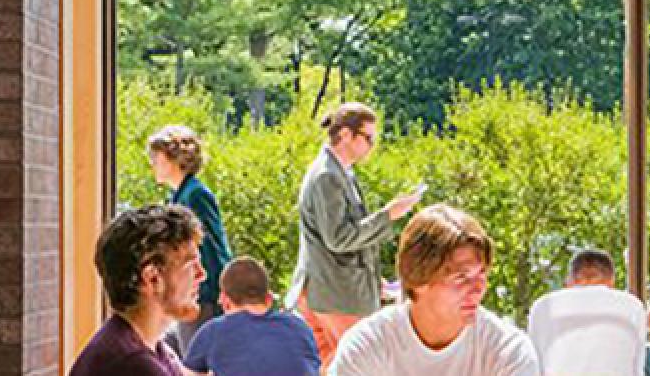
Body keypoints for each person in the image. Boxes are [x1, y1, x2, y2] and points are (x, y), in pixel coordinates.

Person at [327, 204, 540, 376]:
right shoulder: (366, 346)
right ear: (418, 279)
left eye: (481, 274)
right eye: (461, 277)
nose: (477, 289)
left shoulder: (508, 350)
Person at [286, 102, 421, 363]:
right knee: (358, 363)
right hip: (336, 295)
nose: (372, 145)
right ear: (346, 134)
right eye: (368, 137)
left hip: (333, 291)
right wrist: (387, 216)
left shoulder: (340, 172)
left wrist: (373, 277)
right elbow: (339, 238)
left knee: (332, 365)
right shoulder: (328, 176)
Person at [70, 204, 206, 376]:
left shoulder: (144, 346)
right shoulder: (133, 364)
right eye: (191, 265)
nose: (202, 274)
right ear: (152, 278)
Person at [147, 124, 233, 356]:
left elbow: (212, 248)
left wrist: (211, 295)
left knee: (197, 362)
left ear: (174, 158)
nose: (152, 163)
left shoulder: (196, 195)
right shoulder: (179, 195)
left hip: (202, 297)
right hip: (189, 294)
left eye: (156, 156)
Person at [183, 256, 321, 376]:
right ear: (269, 299)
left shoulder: (213, 331)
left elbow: (187, 373)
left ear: (224, 301)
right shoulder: (300, 327)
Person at [527, 248, 646, 375]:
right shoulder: (632, 306)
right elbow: (637, 368)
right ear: (612, 280)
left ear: (570, 279)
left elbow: (533, 366)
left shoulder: (543, 307)